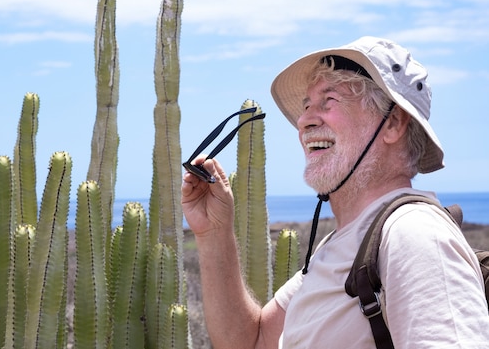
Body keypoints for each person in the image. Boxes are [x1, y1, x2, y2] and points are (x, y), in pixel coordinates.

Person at [181, 36, 489, 348]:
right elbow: (252, 342)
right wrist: (214, 232)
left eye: (329, 102)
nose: (304, 121)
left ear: (393, 123)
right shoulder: (341, 244)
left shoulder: (414, 236)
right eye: (306, 106)